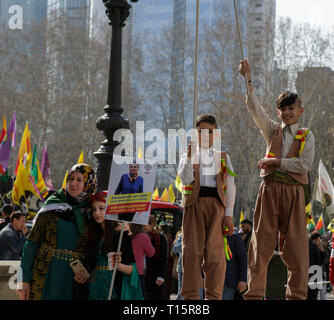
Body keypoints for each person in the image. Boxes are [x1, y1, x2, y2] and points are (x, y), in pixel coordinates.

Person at [239, 59, 315, 300]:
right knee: (260, 246)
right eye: (283, 109)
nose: (287, 113)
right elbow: (254, 107)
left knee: (297, 252)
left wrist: (275, 162)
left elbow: (304, 164)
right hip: (269, 191)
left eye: (292, 108)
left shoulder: (307, 136)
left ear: (300, 110)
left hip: (294, 193)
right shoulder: (271, 128)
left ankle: (297, 296)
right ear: (278, 112)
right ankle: (254, 295)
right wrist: (247, 79)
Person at [178, 113, 236, 300]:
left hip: (217, 208)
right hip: (193, 206)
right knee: (191, 254)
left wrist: (228, 214)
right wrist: (188, 157)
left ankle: (214, 297)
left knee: (216, 257)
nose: (205, 135)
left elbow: (231, 188)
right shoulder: (187, 156)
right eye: (201, 131)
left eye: (209, 132)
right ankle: (190, 299)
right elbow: (185, 178)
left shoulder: (223, 157)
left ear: (215, 135)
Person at [17, 163, 96, 300]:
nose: (73, 183)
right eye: (71, 178)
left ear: (88, 184)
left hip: (74, 279)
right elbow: (31, 243)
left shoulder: (92, 212)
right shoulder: (52, 205)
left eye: (79, 180)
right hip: (46, 272)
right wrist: (23, 279)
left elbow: (97, 248)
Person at [86, 191, 143, 300]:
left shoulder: (122, 233)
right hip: (93, 288)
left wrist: (118, 265)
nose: (97, 213)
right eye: (94, 209)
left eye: (101, 208)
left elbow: (134, 269)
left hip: (114, 288)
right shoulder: (93, 234)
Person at [144, 215, 168, 300]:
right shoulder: (141, 236)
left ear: (152, 225)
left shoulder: (161, 238)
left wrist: (160, 276)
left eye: (146, 224)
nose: (144, 226)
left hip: (155, 273)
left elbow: (163, 258)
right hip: (144, 273)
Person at [130, 223, 155, 298]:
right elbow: (151, 253)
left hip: (123, 269)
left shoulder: (124, 233)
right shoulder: (143, 236)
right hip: (137, 272)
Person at [222, 232, 248, 300]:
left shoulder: (234, 237)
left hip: (228, 282)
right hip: (212, 282)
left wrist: (243, 279)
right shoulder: (210, 235)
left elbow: (243, 258)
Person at [159, 221, 174, 300]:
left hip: (163, 262)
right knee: (167, 282)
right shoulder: (170, 238)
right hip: (169, 263)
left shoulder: (160, 237)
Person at [307, 232, 324, 300]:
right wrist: (322, 251)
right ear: (315, 239)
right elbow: (319, 262)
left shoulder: (305, 244)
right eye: (319, 240)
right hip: (314, 274)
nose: (320, 242)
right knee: (313, 296)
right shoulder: (314, 246)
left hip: (306, 273)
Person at [172, 231, 183, 300]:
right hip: (182, 268)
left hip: (196, 268)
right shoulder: (182, 235)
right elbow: (175, 249)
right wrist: (185, 241)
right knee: (181, 292)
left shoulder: (199, 233)